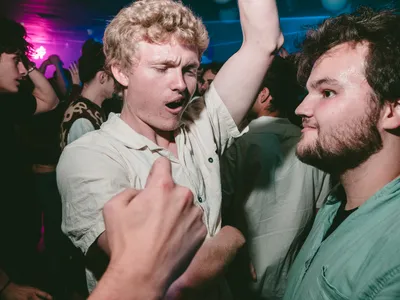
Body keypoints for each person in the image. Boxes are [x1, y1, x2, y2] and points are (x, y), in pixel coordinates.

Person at [56, 0, 283, 297]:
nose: (181, 84)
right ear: (121, 72)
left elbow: (264, 41)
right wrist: (233, 236)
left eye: (190, 70)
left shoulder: (199, 125)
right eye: (162, 68)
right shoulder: (88, 157)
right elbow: (165, 276)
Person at [283, 7, 400, 299]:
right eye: (308, 92)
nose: (301, 109)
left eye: (327, 93)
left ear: (392, 110)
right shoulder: (336, 202)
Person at [221, 56, 331, 299]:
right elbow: (321, 213)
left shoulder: (237, 145)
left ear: (263, 94)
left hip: (244, 274)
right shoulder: (313, 146)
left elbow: (222, 207)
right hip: (294, 274)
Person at [0, 17, 58, 300]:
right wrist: (3, 285)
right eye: (15, 61)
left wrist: (29, 64)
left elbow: (49, 100)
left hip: (20, 247)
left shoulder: (6, 104)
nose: (22, 70)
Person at [60, 41, 114, 149]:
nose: (117, 82)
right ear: (102, 77)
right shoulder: (82, 120)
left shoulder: (90, 110)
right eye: (113, 76)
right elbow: (80, 164)